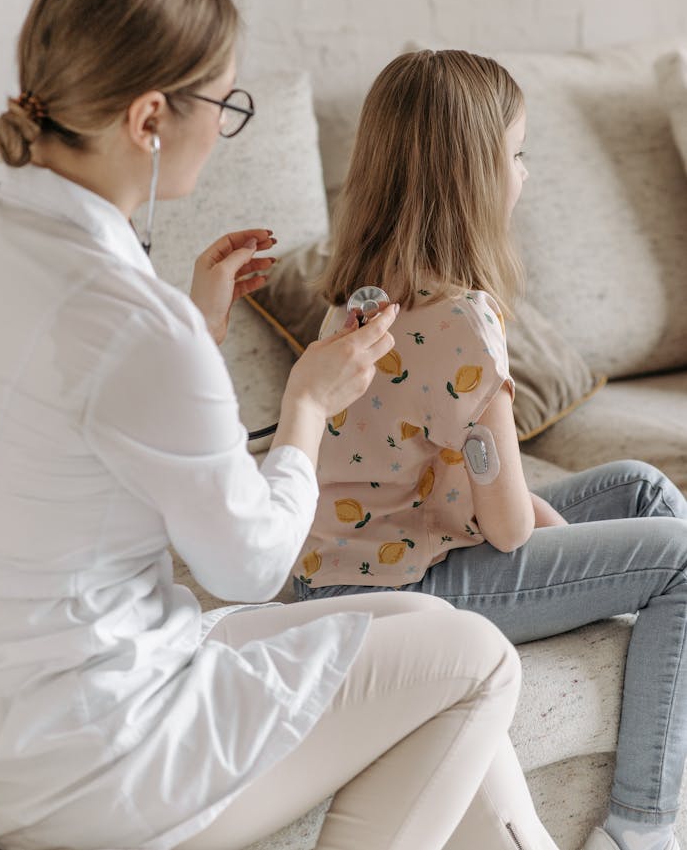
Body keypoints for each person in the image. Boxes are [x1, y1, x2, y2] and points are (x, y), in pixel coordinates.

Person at [0, 0, 560, 850]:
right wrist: (307, 405)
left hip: (20, 723)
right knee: (480, 659)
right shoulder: (135, 320)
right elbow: (248, 566)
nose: (224, 128)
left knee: (430, 621)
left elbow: (72, 420)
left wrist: (196, 328)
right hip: (110, 754)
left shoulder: (17, 241)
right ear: (147, 118)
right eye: (222, 103)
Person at [292, 48, 687, 850]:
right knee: (681, 555)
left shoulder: (361, 298)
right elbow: (507, 529)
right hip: (409, 586)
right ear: (472, 175)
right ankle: (642, 827)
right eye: (517, 154)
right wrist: (539, 519)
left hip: (360, 556)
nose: (526, 175)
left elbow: (438, 475)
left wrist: (532, 509)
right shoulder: (467, 323)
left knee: (644, 489)